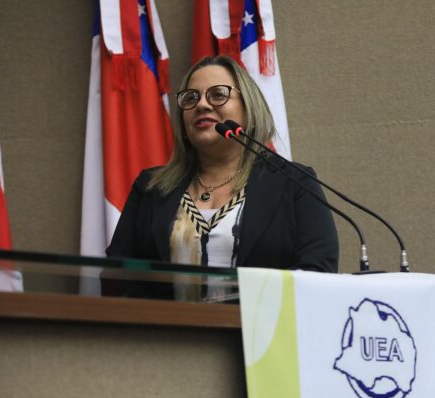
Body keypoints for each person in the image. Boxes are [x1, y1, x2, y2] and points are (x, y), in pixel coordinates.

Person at [106, 55, 339, 276]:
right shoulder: (150, 188)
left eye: (218, 95)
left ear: (249, 110)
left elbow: (318, 271)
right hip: (165, 318)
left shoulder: (294, 183)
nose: (202, 105)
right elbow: (116, 273)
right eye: (190, 98)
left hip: (261, 319)